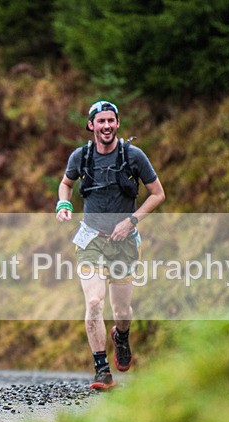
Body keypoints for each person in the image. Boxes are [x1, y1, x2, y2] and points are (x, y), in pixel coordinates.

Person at [56, 100, 166, 390]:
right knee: (94, 302)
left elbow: (158, 194)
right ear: (91, 125)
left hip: (124, 244)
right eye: (100, 121)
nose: (106, 126)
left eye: (110, 121)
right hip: (91, 240)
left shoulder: (133, 156)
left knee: (122, 311)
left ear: (117, 124)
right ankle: (102, 370)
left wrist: (132, 220)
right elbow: (66, 183)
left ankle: (121, 335)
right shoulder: (81, 156)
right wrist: (64, 204)